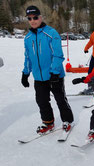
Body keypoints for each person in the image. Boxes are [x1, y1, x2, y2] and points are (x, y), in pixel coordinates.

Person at [21, 5, 74, 134]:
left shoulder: (51, 33)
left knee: (60, 99)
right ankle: (48, 122)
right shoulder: (28, 38)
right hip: (39, 77)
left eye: (35, 17)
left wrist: (55, 72)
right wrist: (25, 73)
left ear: (41, 17)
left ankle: (67, 120)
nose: (33, 20)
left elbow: (58, 54)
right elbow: (28, 57)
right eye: (30, 18)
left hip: (54, 75)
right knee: (42, 101)